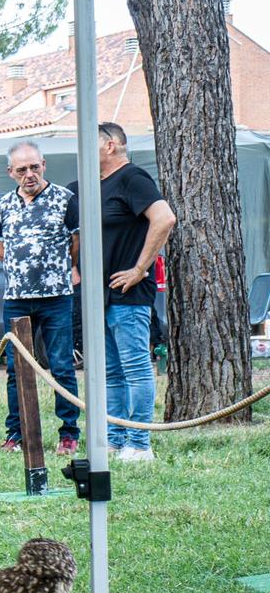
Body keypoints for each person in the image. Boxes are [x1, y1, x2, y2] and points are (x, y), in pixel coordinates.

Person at [76, 122, 176, 462]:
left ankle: (139, 443)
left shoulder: (133, 178)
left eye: (89, 143)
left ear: (111, 145)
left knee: (135, 367)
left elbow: (164, 219)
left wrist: (139, 268)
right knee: (110, 371)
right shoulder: (93, 186)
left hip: (128, 293)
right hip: (98, 294)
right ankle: (116, 441)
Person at [0, 139, 82, 455]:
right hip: (16, 297)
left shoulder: (65, 200)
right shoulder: (2, 206)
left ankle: (69, 433)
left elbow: (76, 241)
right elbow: (0, 248)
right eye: (22, 169)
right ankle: (16, 432)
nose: (30, 174)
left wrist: (67, 268)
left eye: (34, 166)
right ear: (11, 172)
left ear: (44, 165)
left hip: (56, 296)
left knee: (61, 365)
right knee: (16, 369)